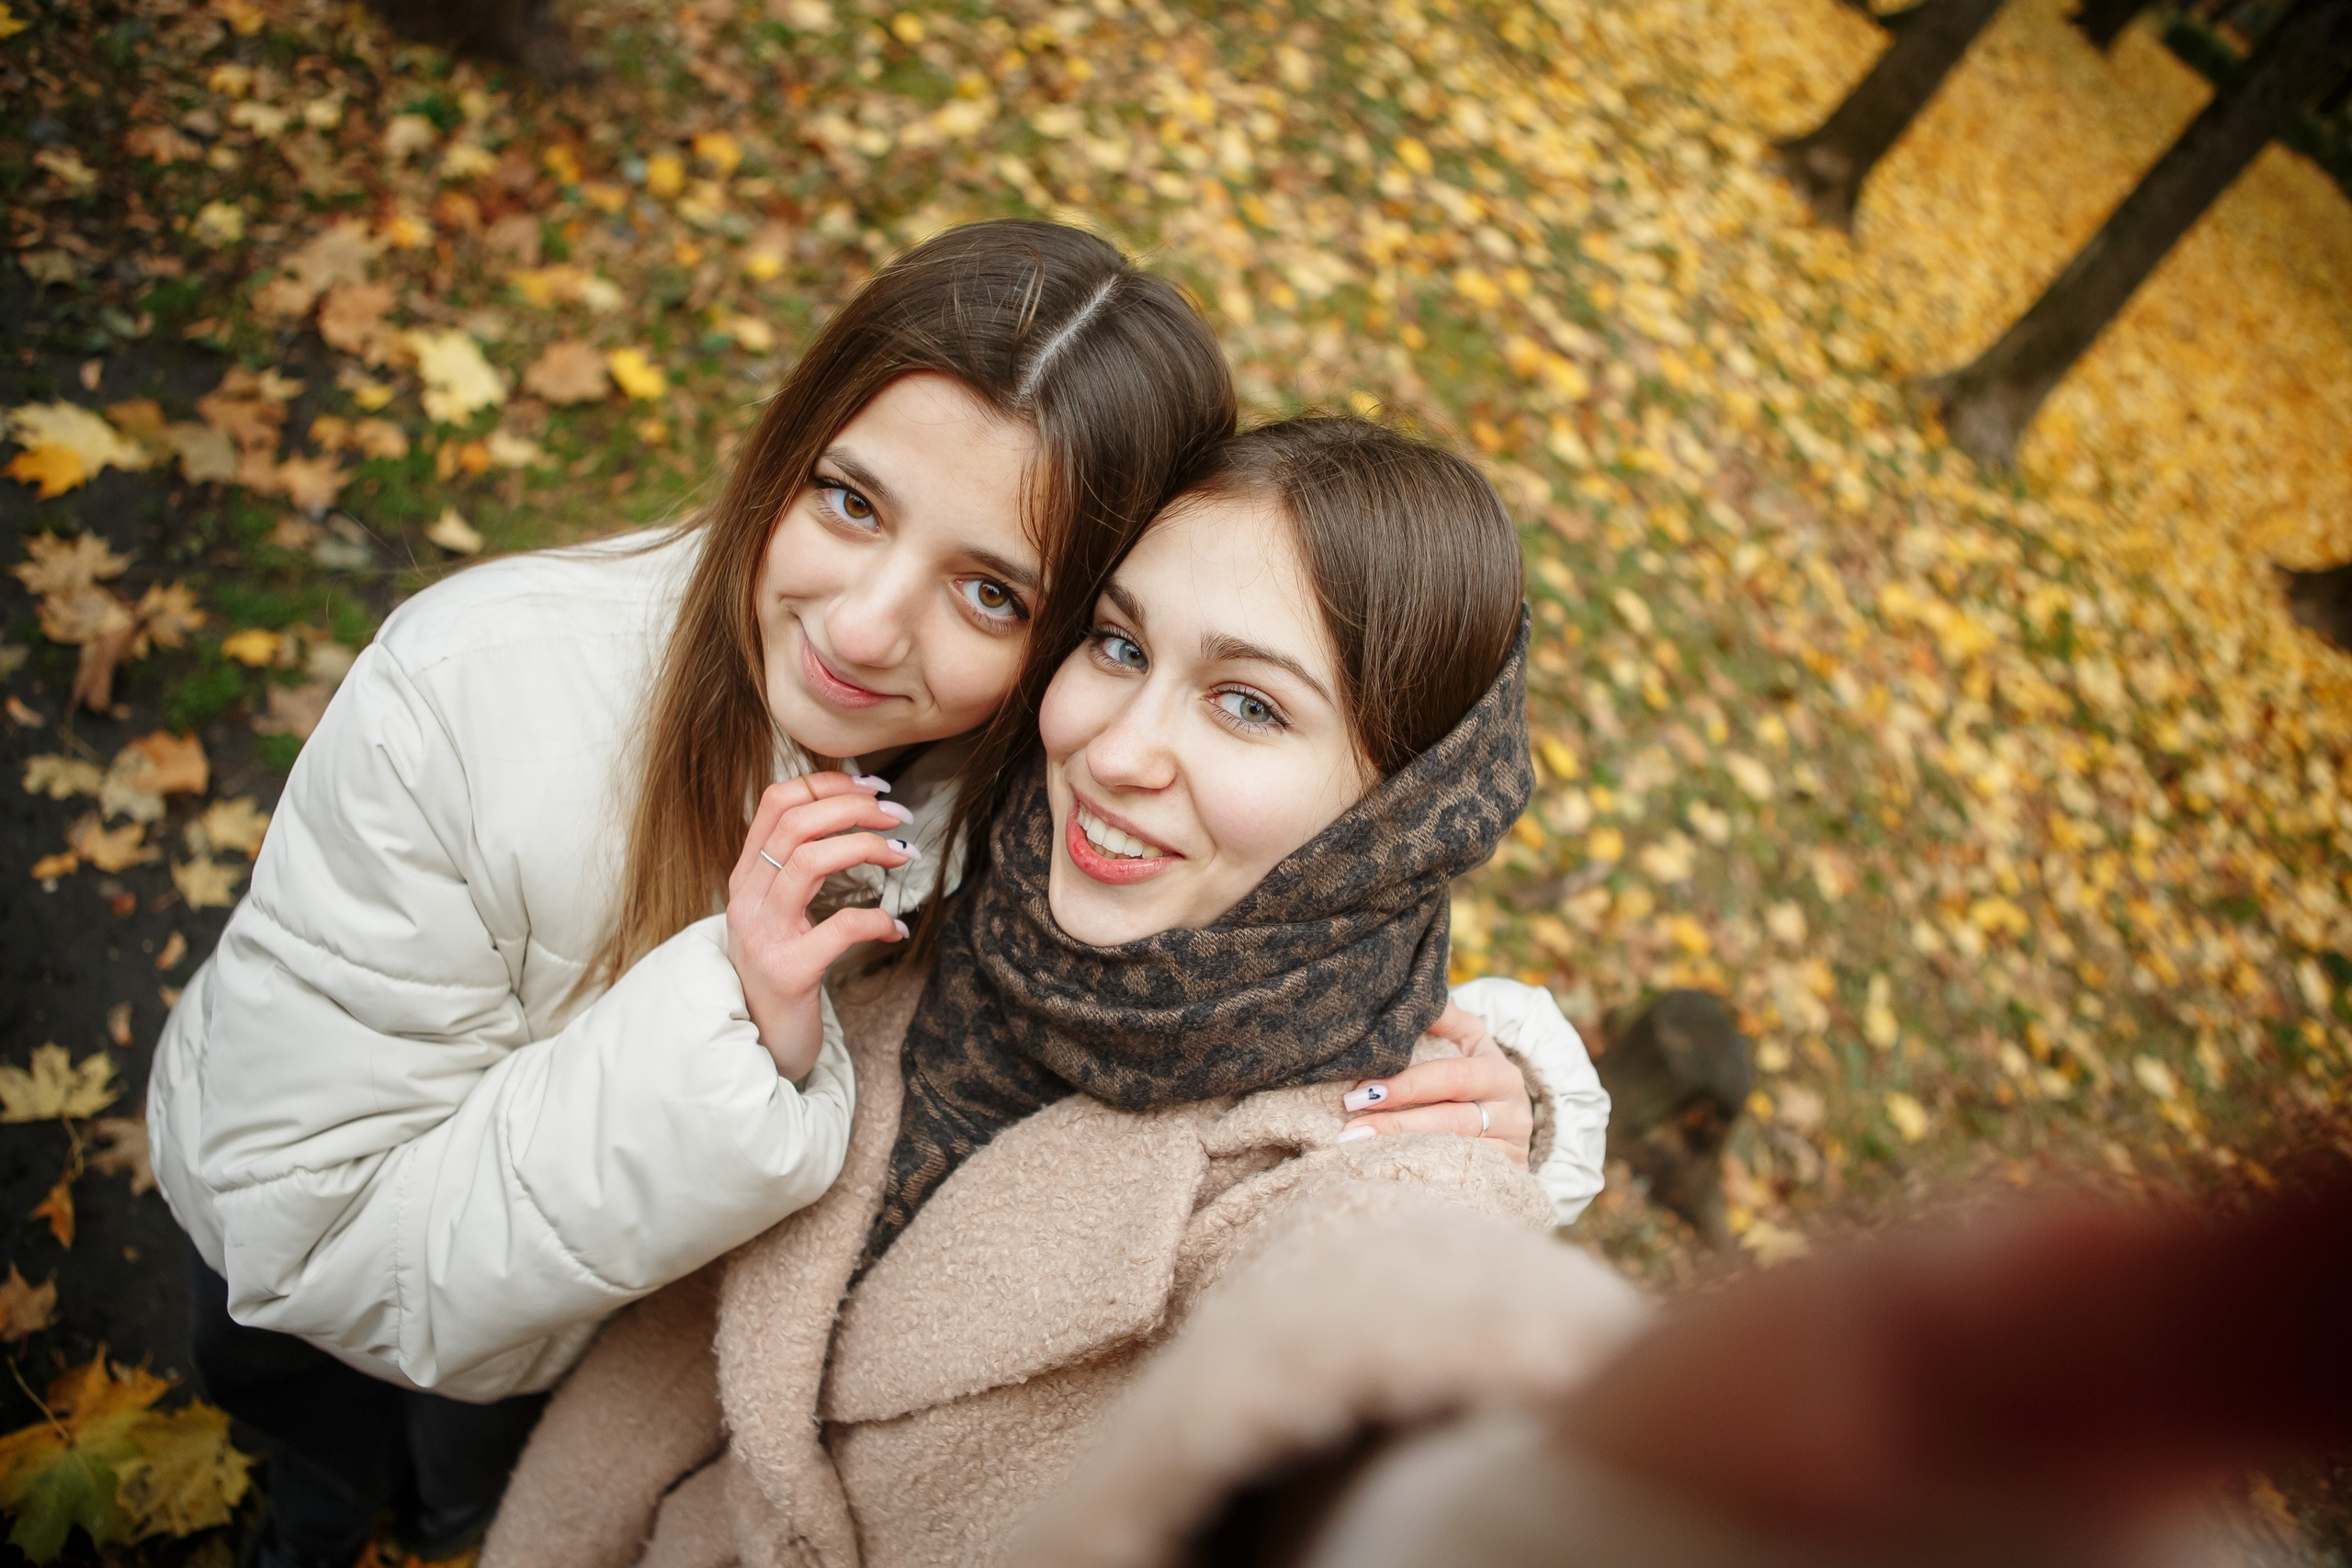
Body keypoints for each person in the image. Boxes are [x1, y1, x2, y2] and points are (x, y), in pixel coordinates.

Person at [148, 227, 1573, 1568]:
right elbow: (305, 1237)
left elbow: (1324, 1028)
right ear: (788, 445)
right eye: (850, 500)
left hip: (572, 1369)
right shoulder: (472, 698)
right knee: (313, 1452)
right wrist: (726, 1034)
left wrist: (1521, 1105)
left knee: (463, 1478)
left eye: (994, 594)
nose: (863, 627)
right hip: (321, 1283)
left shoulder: (1026, 802)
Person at [479, 414, 1623, 1568]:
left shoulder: (1384, 1156)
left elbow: (1428, 1346)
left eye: (1249, 705)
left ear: (1408, 809)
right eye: (1121, 647)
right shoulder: (954, 862)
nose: (1115, 751)